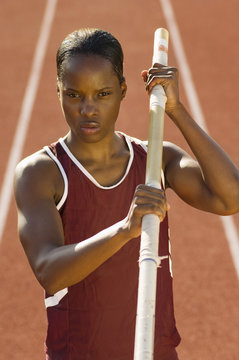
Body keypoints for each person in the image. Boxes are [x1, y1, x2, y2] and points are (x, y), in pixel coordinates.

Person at [14, 28, 239, 360]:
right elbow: (49, 271)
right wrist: (124, 230)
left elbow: (229, 197)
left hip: (155, 351)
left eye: (102, 93)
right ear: (59, 90)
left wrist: (176, 110)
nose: (87, 109)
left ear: (123, 90)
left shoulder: (156, 159)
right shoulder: (40, 173)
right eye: (74, 95)